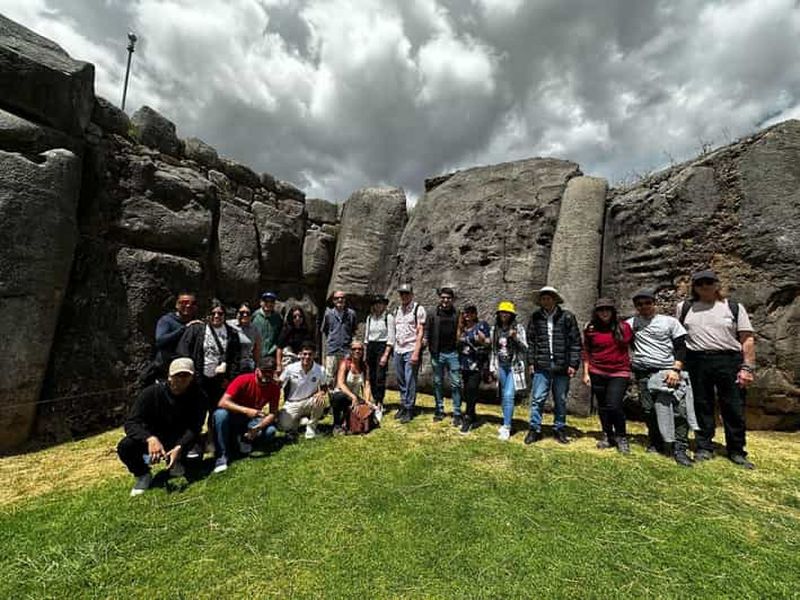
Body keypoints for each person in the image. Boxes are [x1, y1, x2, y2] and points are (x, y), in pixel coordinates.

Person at [677, 270, 756, 469]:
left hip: (728, 360)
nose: (704, 286)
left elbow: (747, 338)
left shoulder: (733, 307)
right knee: (701, 405)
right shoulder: (685, 308)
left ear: (717, 284)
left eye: (709, 282)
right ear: (694, 287)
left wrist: (747, 367)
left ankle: (736, 450)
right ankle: (704, 446)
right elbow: (679, 337)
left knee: (733, 406)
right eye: (700, 283)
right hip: (697, 360)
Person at [117, 358, 206, 496]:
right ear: (169, 376)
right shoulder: (150, 393)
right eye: (177, 375)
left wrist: (180, 446)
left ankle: (177, 461)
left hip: (180, 439)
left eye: (186, 375)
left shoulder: (199, 396)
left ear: (192, 377)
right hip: (155, 439)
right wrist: (150, 439)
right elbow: (131, 423)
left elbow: (195, 427)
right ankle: (143, 474)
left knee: (194, 460)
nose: (181, 379)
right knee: (125, 446)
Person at [627, 289, 696, 467]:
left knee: (678, 411)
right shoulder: (631, 323)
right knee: (649, 410)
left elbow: (681, 347)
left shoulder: (669, 322)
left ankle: (680, 448)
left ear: (654, 303)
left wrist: (676, 370)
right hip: (643, 373)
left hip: (667, 372)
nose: (644, 307)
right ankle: (656, 441)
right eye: (639, 304)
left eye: (647, 303)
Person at [176, 300, 242, 455]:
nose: (217, 316)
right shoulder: (197, 330)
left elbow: (235, 358)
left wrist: (229, 378)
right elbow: (183, 351)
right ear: (208, 315)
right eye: (213, 313)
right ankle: (192, 444)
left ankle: (213, 441)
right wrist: (189, 375)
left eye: (220, 313)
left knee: (216, 412)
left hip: (219, 381)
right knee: (196, 413)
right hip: (199, 379)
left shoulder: (232, 333)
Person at [525, 286, 582, 445]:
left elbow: (576, 342)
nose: (546, 301)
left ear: (555, 299)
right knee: (538, 398)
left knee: (561, 399)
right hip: (541, 364)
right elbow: (531, 341)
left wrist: (573, 364)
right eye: (543, 298)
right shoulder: (536, 317)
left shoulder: (567, 317)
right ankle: (534, 429)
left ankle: (559, 428)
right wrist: (531, 362)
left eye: (549, 298)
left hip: (562, 364)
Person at [582, 298, 634, 454]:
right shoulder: (591, 329)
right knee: (603, 406)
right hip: (597, 371)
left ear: (613, 311)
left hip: (619, 372)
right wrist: (586, 372)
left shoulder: (624, 327)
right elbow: (587, 351)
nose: (604, 312)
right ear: (596, 312)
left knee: (614, 405)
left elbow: (633, 345)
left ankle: (621, 436)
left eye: (607, 309)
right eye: (601, 309)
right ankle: (607, 434)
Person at [211, 356, 280, 473]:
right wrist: (246, 410)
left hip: (252, 419)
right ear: (257, 370)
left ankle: (245, 439)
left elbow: (273, 413)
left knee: (270, 431)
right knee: (220, 414)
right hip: (234, 415)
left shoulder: (274, 388)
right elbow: (222, 402)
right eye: (264, 371)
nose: (267, 375)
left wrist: (259, 427)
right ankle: (222, 456)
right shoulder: (242, 379)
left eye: (270, 372)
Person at [490, 301, 528, 441]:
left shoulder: (518, 328)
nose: (504, 315)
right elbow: (493, 349)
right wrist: (492, 367)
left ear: (512, 315)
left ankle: (507, 426)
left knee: (508, 395)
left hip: (513, 366)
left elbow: (525, 348)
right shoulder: (495, 329)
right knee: (503, 395)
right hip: (501, 365)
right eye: (502, 312)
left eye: (507, 312)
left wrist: (515, 337)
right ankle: (506, 420)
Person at [424, 287, 463, 424]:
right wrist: (425, 341)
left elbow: (461, 330)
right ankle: (439, 410)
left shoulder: (457, 313)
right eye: (443, 297)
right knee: (437, 382)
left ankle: (457, 412)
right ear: (439, 298)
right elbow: (427, 330)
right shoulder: (432, 313)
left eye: (448, 298)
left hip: (453, 353)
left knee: (456, 383)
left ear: (452, 299)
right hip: (437, 353)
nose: (445, 300)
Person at [147, 291, 203, 383]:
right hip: (166, 370)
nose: (188, 306)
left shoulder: (196, 324)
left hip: (187, 370)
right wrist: (184, 329)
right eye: (184, 302)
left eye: (192, 303)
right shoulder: (167, 320)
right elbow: (160, 341)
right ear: (177, 304)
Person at [278, 342, 329, 439]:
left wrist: (321, 392)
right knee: (282, 426)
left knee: (321, 400)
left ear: (315, 355)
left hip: (309, 401)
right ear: (299, 354)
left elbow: (324, 386)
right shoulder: (290, 368)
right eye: (304, 354)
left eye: (310, 354)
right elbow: (279, 384)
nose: (307, 357)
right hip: (292, 402)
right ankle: (299, 421)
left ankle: (311, 428)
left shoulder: (320, 370)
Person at [393, 283, 426, 424]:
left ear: (412, 294)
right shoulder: (397, 310)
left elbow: (420, 332)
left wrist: (416, 352)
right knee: (400, 379)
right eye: (402, 293)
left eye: (406, 293)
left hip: (411, 348)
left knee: (410, 379)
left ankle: (409, 408)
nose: (404, 296)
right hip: (398, 349)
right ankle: (403, 403)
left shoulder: (418, 309)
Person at [458, 304, 490, 434]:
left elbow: (488, 342)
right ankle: (473, 414)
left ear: (475, 314)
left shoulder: (481, 325)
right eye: (466, 313)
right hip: (464, 364)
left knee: (472, 389)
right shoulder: (462, 328)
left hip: (476, 364)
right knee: (467, 391)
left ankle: (468, 417)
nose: (468, 315)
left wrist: (482, 340)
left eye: (471, 313)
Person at [329, 341, 373, 435]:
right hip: (342, 394)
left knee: (369, 408)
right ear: (350, 351)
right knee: (338, 397)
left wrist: (367, 400)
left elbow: (367, 384)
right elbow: (341, 384)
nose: (357, 351)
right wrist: (353, 397)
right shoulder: (345, 364)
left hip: (354, 397)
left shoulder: (364, 366)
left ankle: (353, 422)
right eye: (354, 349)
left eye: (360, 349)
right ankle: (337, 425)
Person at [363, 294, 394, 422]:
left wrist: (385, 355)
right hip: (371, 346)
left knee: (380, 376)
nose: (378, 306)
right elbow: (366, 337)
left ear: (384, 305)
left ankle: (379, 403)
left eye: (380, 303)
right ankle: (373, 400)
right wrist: (365, 353)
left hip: (382, 346)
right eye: (376, 303)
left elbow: (391, 338)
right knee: (371, 376)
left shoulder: (388, 317)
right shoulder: (370, 318)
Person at [320, 290, 357, 381]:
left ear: (345, 300)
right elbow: (325, 331)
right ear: (333, 300)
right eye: (337, 298)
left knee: (345, 376)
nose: (340, 300)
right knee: (329, 376)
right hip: (332, 350)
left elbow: (354, 331)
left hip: (346, 351)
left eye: (342, 298)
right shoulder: (328, 314)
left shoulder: (351, 314)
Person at [227, 302, 262, 373]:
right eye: (242, 312)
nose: (245, 315)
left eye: (248, 313)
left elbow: (257, 350)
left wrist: (257, 366)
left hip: (247, 365)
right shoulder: (228, 325)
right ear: (237, 313)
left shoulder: (255, 329)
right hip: (231, 365)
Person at [252, 291, 283, 364]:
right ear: (261, 302)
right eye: (266, 301)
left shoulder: (278, 318)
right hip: (254, 354)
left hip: (271, 355)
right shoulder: (254, 316)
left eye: (271, 302)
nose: (269, 304)